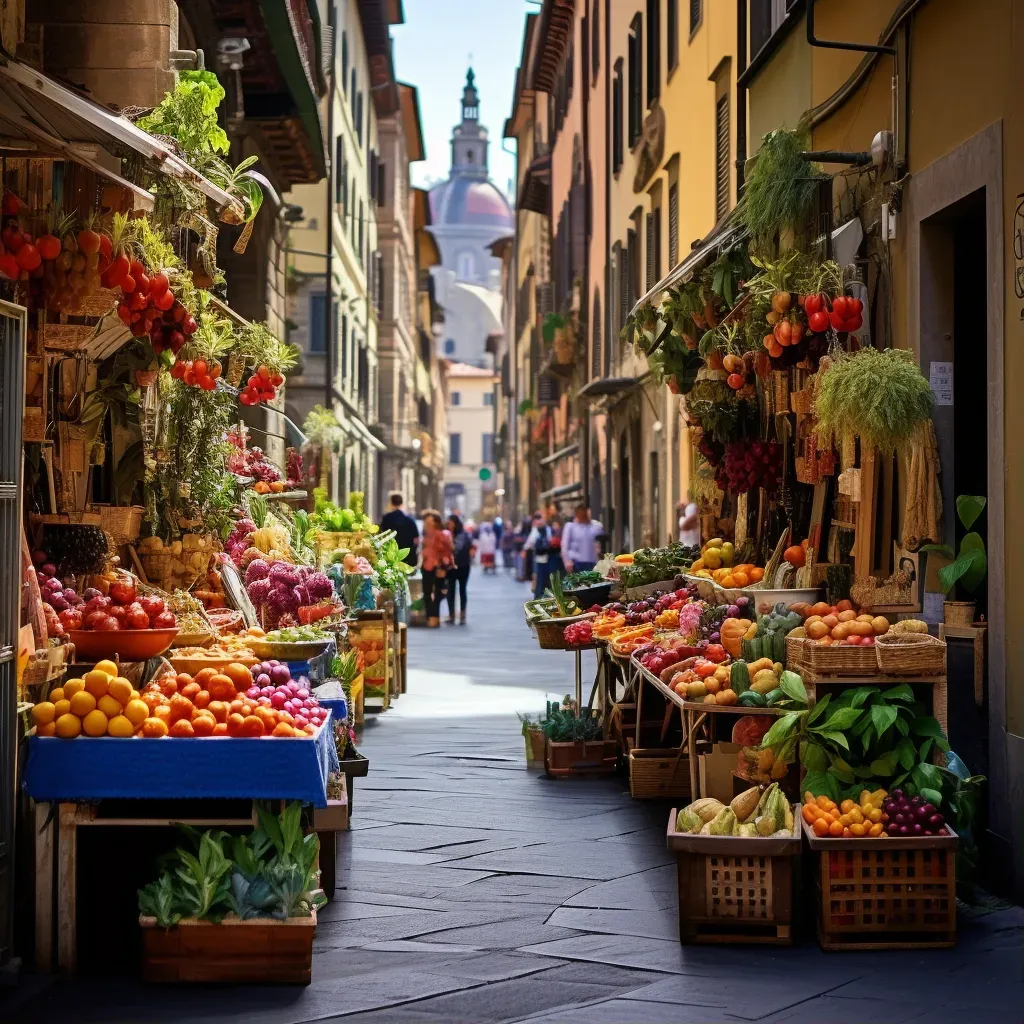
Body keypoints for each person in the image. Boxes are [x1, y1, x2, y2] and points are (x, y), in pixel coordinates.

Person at [419, 510, 453, 628]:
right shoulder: (426, 535)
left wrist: (443, 566)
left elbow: (447, 552)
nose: (427, 523)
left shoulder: (442, 534)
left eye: (430, 521)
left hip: (437, 567)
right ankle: (431, 617)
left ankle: (434, 617)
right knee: (427, 593)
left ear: (436, 523)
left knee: (437, 593)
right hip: (427, 566)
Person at [560, 503, 604, 575]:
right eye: (580, 512)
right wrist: (567, 561)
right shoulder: (570, 527)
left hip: (593, 563)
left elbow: (601, 542)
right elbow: (564, 546)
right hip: (576, 563)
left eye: (584, 512)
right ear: (576, 514)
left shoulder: (596, 526)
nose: (582, 515)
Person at [446, 514, 473, 624]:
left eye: (451, 523)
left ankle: (462, 614)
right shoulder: (448, 533)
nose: (449, 525)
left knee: (462, 590)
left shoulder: (461, 534)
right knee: (450, 590)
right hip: (452, 566)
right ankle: (451, 614)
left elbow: (457, 547)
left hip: (462, 565)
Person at [380, 491, 419, 565]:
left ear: (391, 502)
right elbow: (416, 539)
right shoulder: (410, 520)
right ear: (402, 503)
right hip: (407, 556)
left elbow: (382, 536)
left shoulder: (386, 519)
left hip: (391, 556)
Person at [524, 511, 555, 599]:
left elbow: (529, 544)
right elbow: (530, 543)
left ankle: (541, 595)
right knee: (539, 578)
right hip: (540, 558)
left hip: (545, 558)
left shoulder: (545, 530)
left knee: (541, 578)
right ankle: (540, 595)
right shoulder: (541, 530)